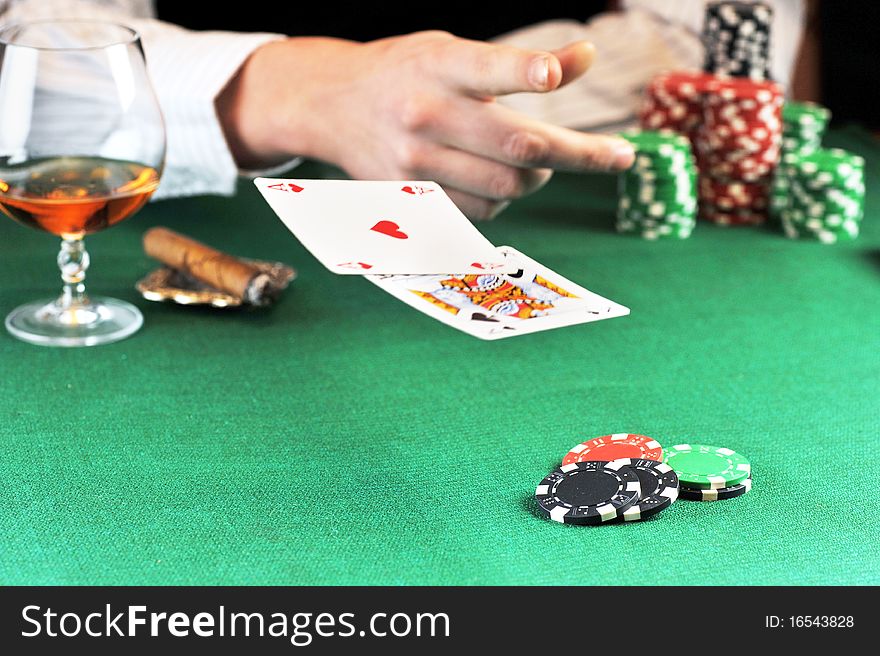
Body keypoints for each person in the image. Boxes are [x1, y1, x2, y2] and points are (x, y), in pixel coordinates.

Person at [0, 1, 804, 220]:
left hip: (549, 201)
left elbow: (687, 39)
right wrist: (296, 90)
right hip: (190, 188)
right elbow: (33, 49)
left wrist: (459, 92)